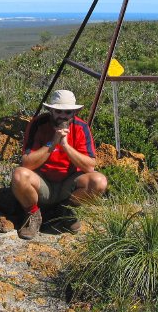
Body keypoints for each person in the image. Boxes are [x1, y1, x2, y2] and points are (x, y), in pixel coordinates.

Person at [11, 90, 108, 240]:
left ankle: (65, 211)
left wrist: (66, 146)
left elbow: (90, 167)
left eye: (68, 112)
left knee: (99, 181)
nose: (63, 115)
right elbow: (27, 163)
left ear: (75, 112)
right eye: (58, 111)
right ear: (51, 110)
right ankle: (33, 214)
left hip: (68, 184)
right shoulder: (38, 124)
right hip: (42, 183)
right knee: (19, 175)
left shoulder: (81, 128)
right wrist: (53, 142)